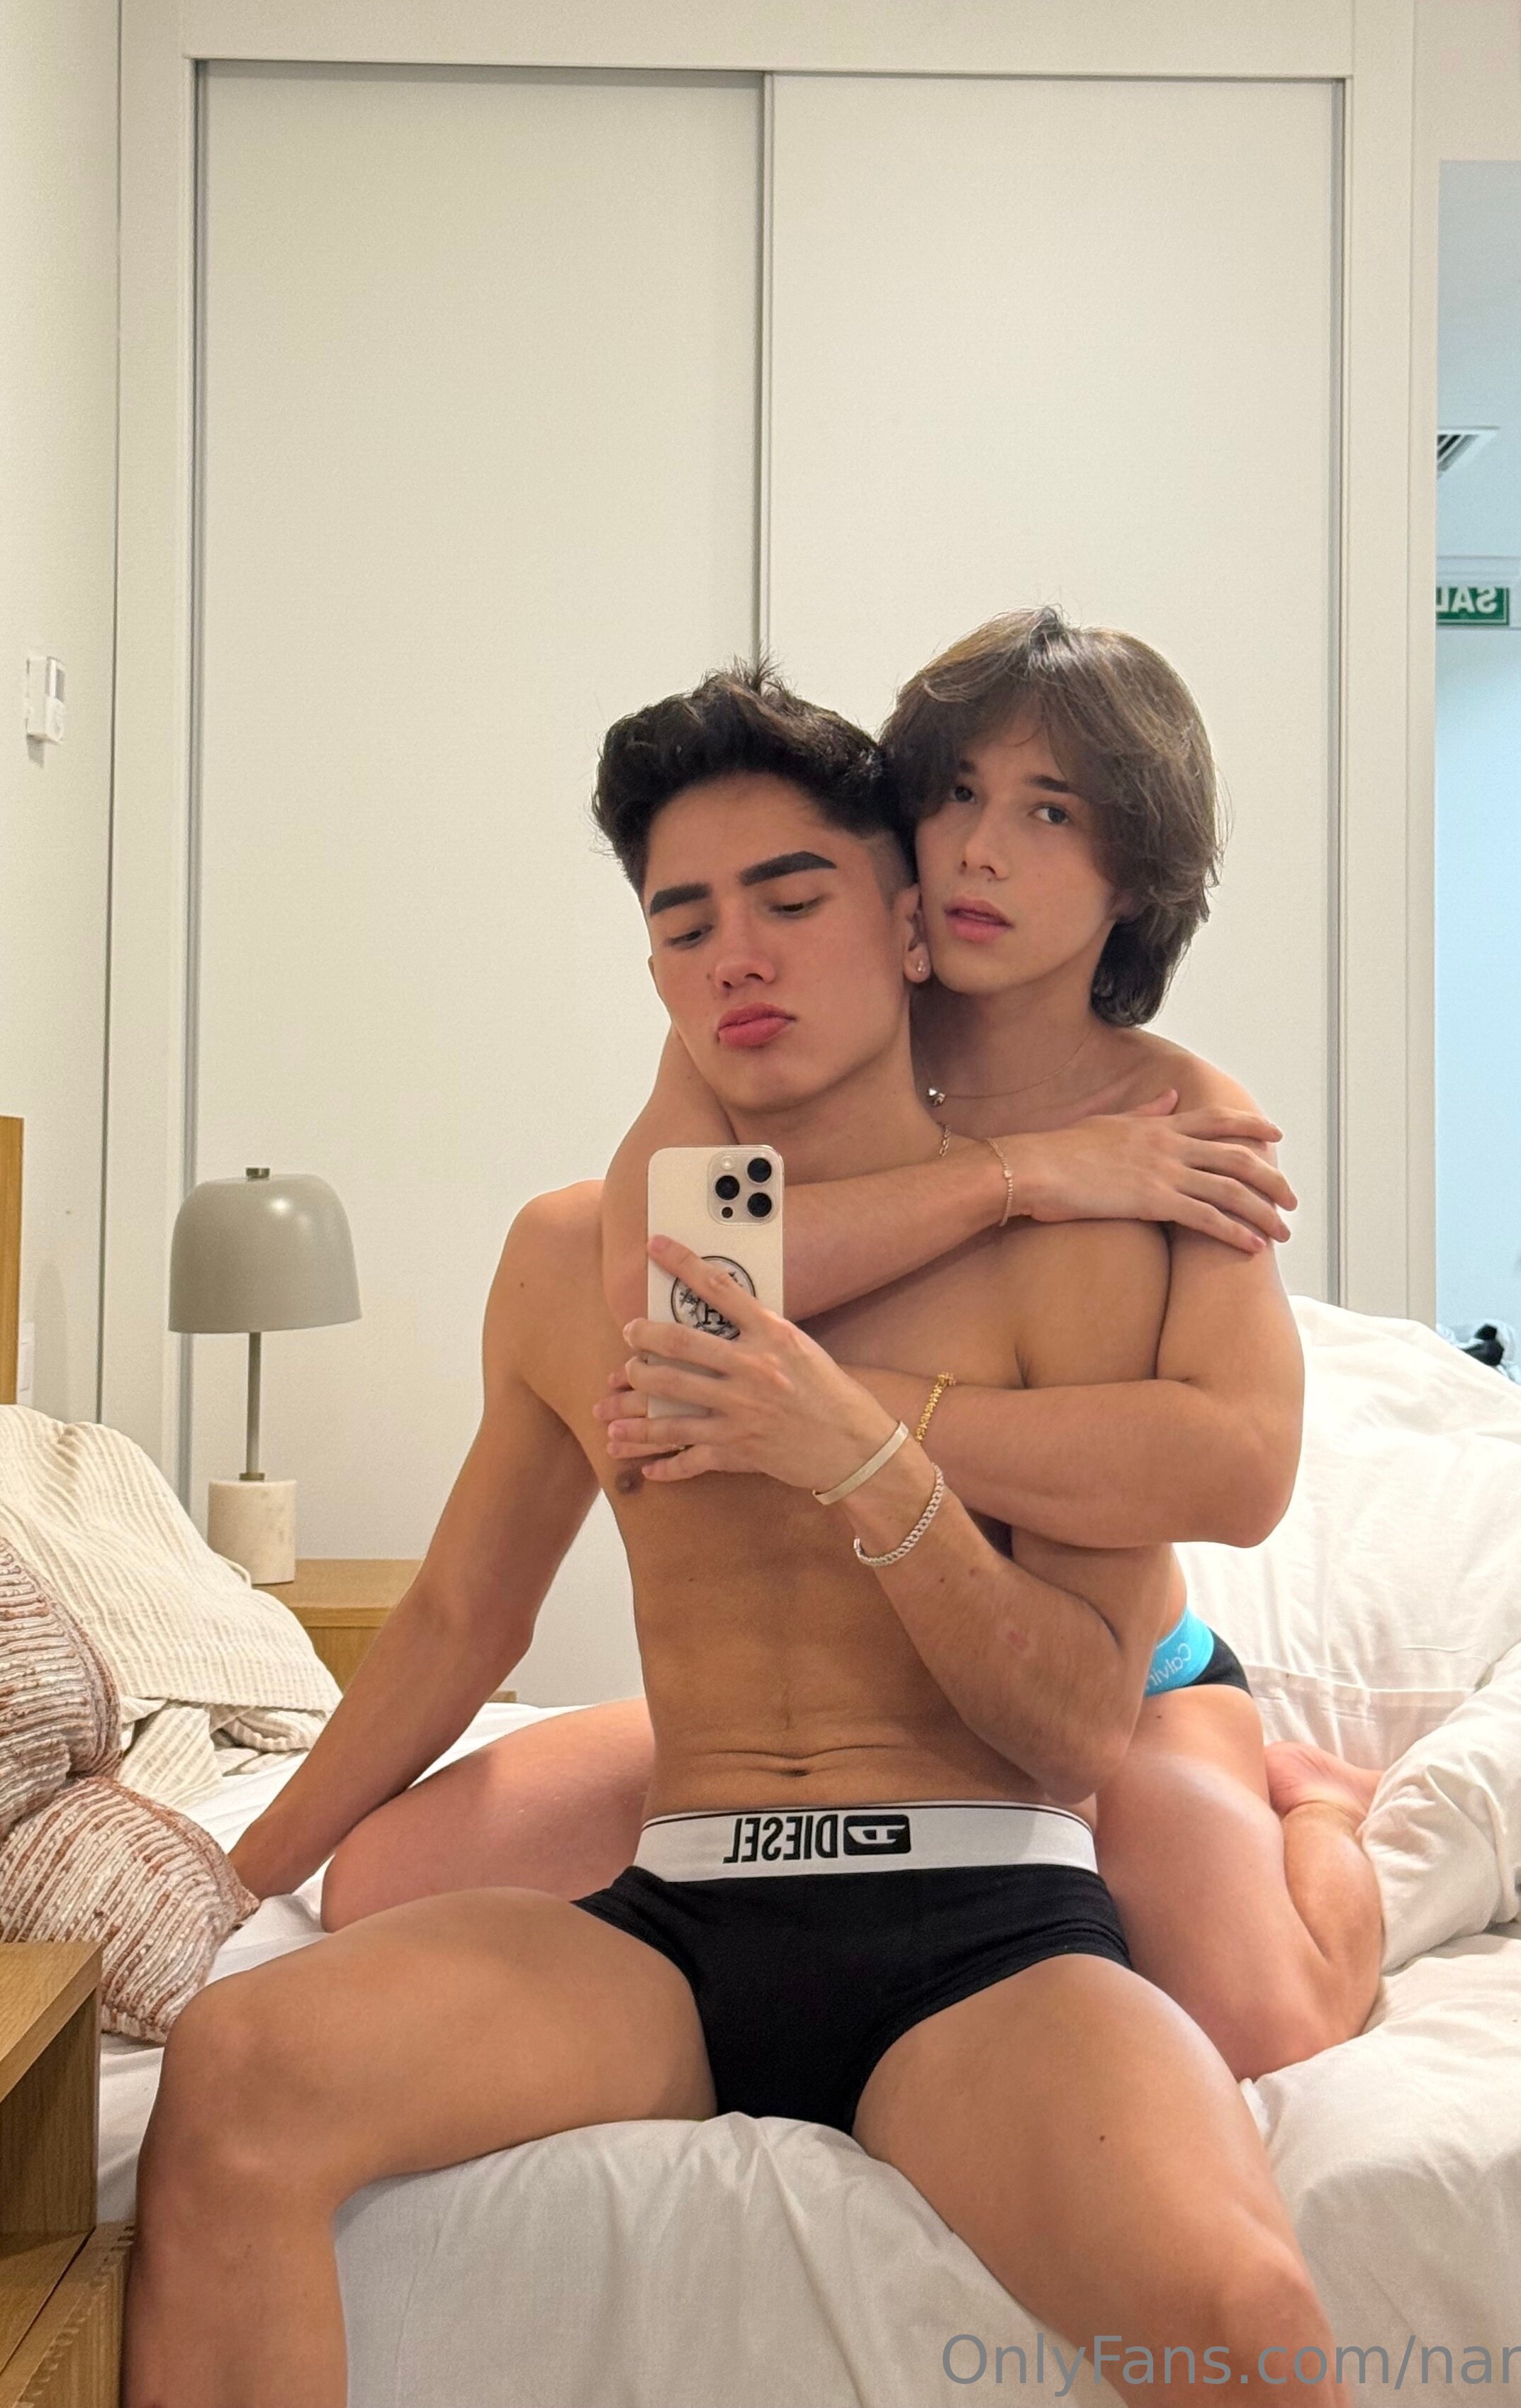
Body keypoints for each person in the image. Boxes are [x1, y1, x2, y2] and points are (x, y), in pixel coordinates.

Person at [130, 668, 1348, 2408]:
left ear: (906, 929)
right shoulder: (579, 1260)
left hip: (980, 1923)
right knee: (239, 2060)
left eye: (790, 899)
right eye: (684, 924)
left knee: (1248, 2321)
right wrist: (234, 1875)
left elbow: (1081, 1730)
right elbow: (461, 1618)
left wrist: (867, 1456)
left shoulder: (1093, 1239)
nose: (738, 959)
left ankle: (1324, 1825)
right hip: (677, 1917)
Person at [305, 610, 1382, 2081]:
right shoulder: (799, 1006)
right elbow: (675, 1287)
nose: (981, 851)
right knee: (376, 1887)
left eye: (1049, 813)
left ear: (1136, 869)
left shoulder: (1177, 1117)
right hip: (864, 1714)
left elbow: (1240, 1471)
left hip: (1105, 1675)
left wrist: (838, 1408)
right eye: (956, 794)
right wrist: (1023, 1176)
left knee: (1267, 2023)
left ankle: (1317, 1805)